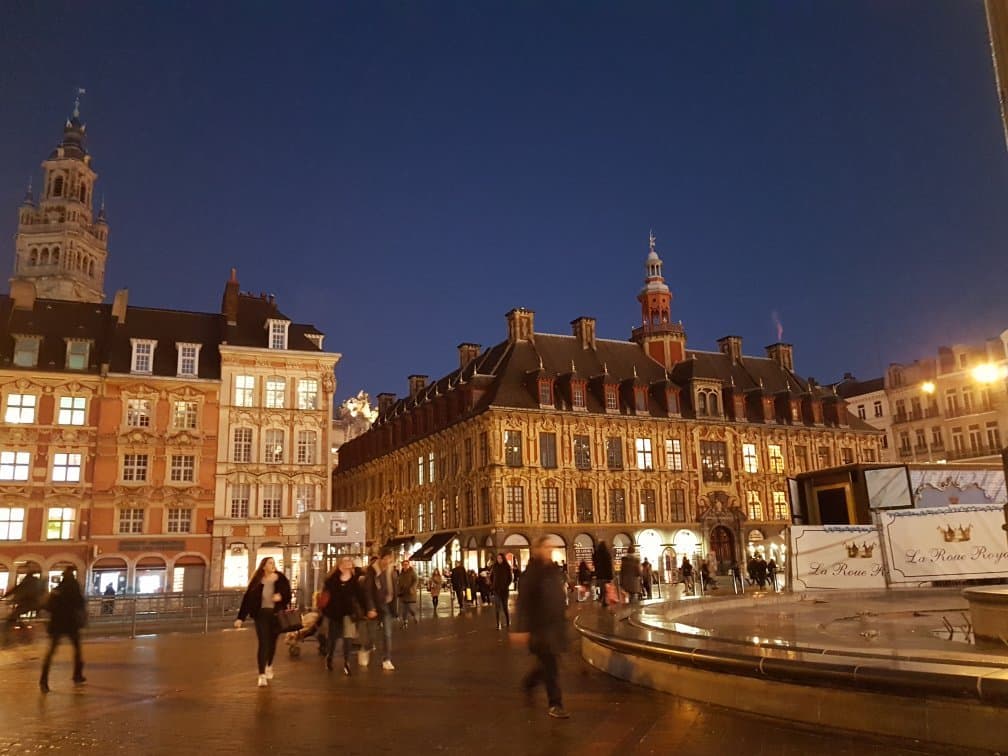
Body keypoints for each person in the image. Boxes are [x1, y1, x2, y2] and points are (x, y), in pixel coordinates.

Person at [512, 535, 569, 719]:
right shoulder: (531, 574)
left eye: (551, 548)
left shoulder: (554, 571)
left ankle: (529, 683)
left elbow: (558, 595)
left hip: (555, 626)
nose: (550, 550)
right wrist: (520, 629)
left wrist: (565, 612)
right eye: (546, 547)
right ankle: (555, 704)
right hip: (540, 628)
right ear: (537, 550)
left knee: (547, 665)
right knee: (551, 666)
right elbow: (523, 603)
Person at [234, 556, 292, 688]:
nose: (273, 565)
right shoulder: (257, 581)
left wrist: (281, 597)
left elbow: (288, 595)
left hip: (276, 615)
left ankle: (269, 665)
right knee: (263, 642)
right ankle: (261, 675)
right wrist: (240, 618)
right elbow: (247, 600)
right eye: (270, 563)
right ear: (264, 566)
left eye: (273, 563)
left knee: (272, 643)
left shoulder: (281, 578)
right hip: (261, 615)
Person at [39, 567, 86, 693]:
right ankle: (77, 675)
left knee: (50, 653)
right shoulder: (75, 589)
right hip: (71, 624)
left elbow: (48, 607)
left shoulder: (57, 589)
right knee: (77, 650)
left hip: (57, 624)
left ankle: (43, 680)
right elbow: (81, 604)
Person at [322, 556, 369, 675]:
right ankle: (329, 657)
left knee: (348, 638)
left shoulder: (354, 581)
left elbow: (360, 596)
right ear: (340, 565)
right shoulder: (331, 580)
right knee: (333, 638)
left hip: (349, 613)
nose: (349, 563)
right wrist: (326, 611)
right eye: (346, 561)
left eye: (350, 561)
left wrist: (367, 609)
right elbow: (326, 596)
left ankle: (347, 662)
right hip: (335, 614)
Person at [359, 548, 397, 670]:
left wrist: (394, 606)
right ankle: (366, 648)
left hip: (386, 605)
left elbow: (394, 588)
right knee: (372, 635)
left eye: (390, 559)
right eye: (385, 559)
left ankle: (387, 659)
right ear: (380, 558)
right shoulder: (372, 571)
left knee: (387, 634)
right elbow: (368, 591)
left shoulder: (391, 570)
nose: (387, 561)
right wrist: (370, 608)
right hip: (375, 606)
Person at [490, 553, 513, 630]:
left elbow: (510, 578)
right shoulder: (495, 567)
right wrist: (493, 584)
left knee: (505, 606)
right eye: (498, 558)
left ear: (503, 559)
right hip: (496, 590)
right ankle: (498, 623)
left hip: (504, 590)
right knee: (497, 607)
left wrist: (506, 585)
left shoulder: (507, 567)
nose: (499, 559)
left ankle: (507, 620)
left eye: (500, 558)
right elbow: (491, 576)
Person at [396, 560, 419, 628]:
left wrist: (412, 587)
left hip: (410, 592)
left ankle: (414, 615)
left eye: (406, 564)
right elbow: (399, 583)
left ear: (408, 565)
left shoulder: (412, 572)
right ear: (402, 565)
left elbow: (416, 580)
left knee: (409, 607)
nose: (405, 566)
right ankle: (405, 622)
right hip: (403, 593)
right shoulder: (401, 573)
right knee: (404, 609)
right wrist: (398, 590)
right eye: (404, 564)